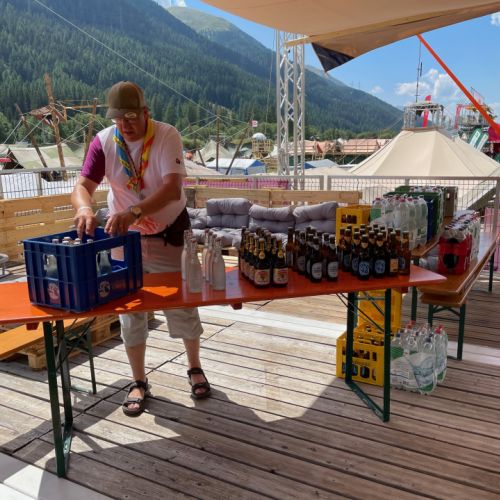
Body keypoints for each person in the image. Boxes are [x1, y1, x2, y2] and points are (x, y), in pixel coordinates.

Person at [72, 81, 211, 416]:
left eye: (131, 117)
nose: (125, 125)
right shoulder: (103, 141)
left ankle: (194, 366)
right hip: (126, 240)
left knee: (182, 304)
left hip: (167, 235)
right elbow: (82, 185)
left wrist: (134, 212)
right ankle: (138, 380)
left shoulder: (166, 135)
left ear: (146, 112)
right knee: (130, 310)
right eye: (118, 118)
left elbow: (172, 188)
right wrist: (84, 208)